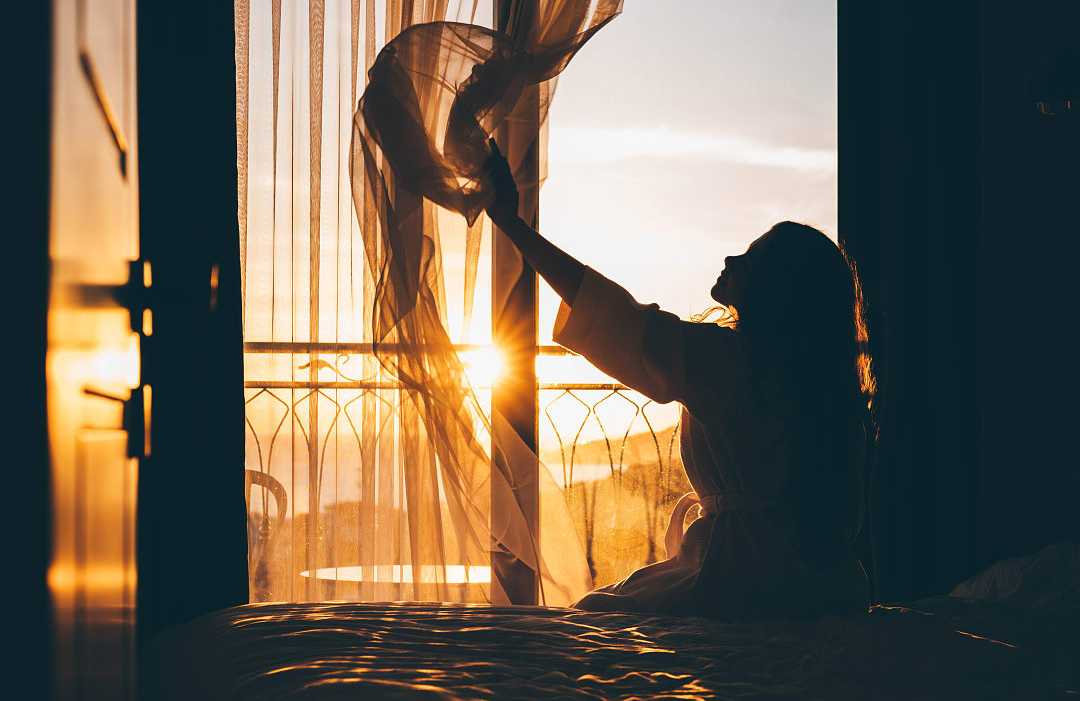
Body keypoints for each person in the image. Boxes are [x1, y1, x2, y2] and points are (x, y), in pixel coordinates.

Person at [483, 139, 875, 620]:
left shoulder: (733, 361)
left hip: (743, 576)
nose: (731, 261)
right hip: (820, 582)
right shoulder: (808, 380)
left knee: (597, 616)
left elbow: (616, 318)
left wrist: (513, 225)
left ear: (778, 290)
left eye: (750, 258)